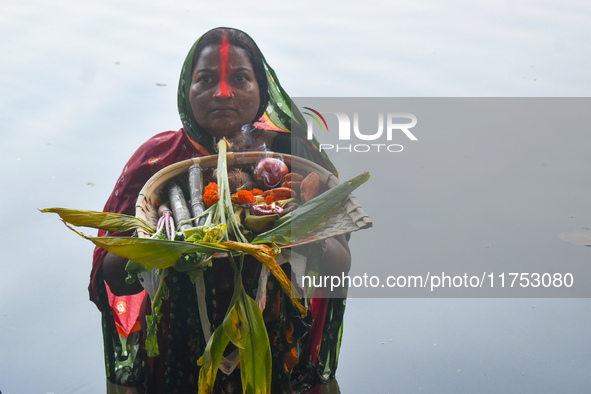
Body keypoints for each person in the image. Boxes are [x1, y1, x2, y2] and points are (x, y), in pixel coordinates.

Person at [90, 27, 351, 393]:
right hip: (178, 352)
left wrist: (299, 234)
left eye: (240, 78)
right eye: (206, 79)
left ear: (261, 89)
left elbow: (338, 269)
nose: (223, 93)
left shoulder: (294, 158)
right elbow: (111, 277)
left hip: (273, 348)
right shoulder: (157, 162)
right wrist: (155, 243)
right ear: (187, 90)